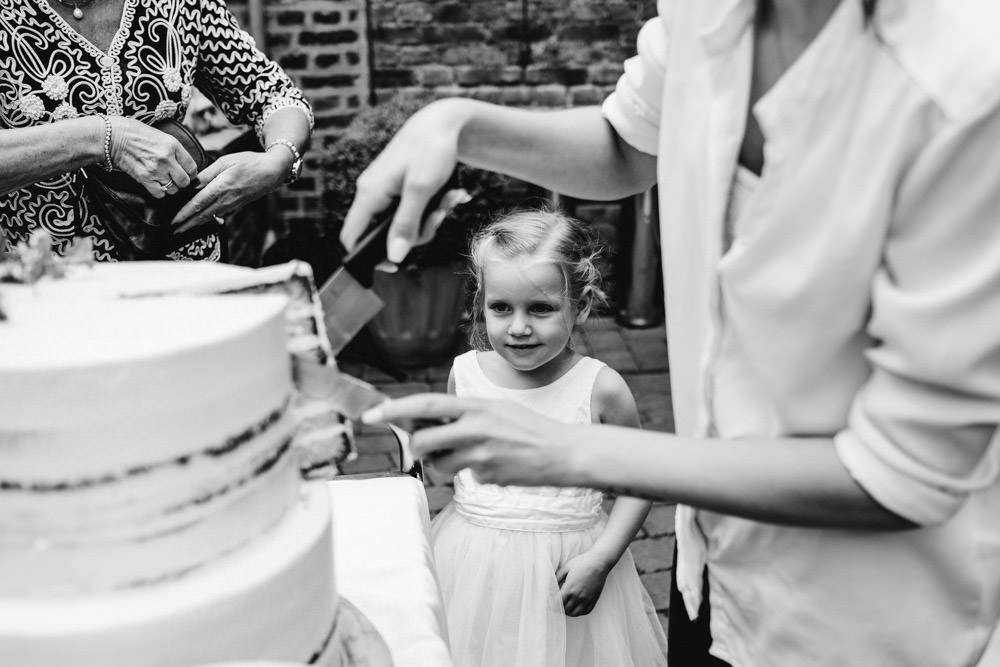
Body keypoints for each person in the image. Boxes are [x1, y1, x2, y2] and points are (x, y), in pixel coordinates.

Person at [346, 1, 1000, 665]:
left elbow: (902, 470)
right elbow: (629, 143)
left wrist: (569, 451)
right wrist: (456, 125)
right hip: (709, 571)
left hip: (860, 620)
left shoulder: (969, 82)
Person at [431, 209, 668, 667]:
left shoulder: (600, 387)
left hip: (569, 567)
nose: (518, 327)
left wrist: (601, 559)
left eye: (540, 308)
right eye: (501, 308)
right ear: (482, 303)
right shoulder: (465, 376)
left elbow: (644, 482)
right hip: (475, 566)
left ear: (577, 307)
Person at [0, 0, 312, 261]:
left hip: (185, 274)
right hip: (51, 288)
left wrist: (278, 161)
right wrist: (101, 137)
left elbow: (272, 93)